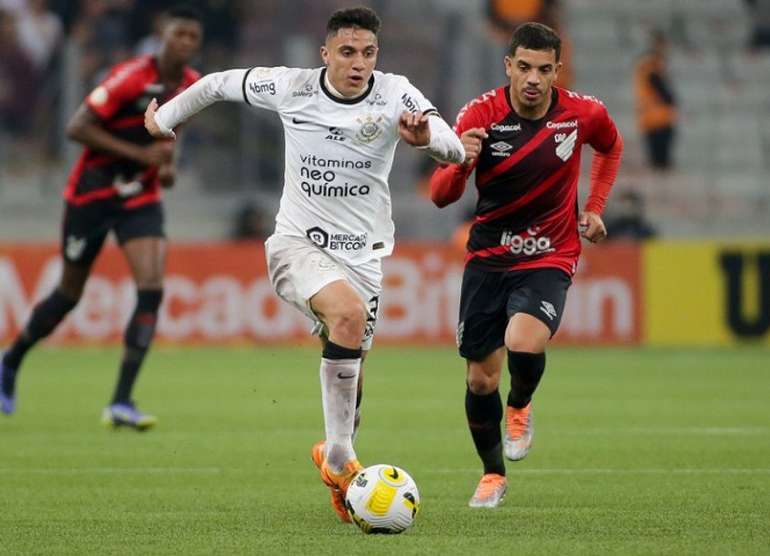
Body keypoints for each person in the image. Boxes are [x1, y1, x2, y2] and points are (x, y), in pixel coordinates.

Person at [143, 6, 464, 523]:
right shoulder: (291, 87)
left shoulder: (395, 93)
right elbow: (218, 84)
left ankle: (337, 465)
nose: (358, 63)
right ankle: (340, 457)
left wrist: (427, 141)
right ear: (326, 54)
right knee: (348, 318)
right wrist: (163, 119)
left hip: (363, 256)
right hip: (298, 244)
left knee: (352, 369)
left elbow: (454, 147)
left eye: (367, 53)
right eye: (347, 52)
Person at [429, 22, 623, 508]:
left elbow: (610, 146)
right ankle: (492, 475)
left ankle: (520, 405)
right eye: (524, 67)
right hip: (489, 257)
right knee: (479, 380)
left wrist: (595, 205)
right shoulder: (480, 114)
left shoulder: (582, 112)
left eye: (544, 69)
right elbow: (440, 196)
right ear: (508, 66)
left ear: (557, 70)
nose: (533, 78)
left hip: (550, 253)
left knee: (523, 339)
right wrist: (460, 163)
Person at [0, 5, 203, 430]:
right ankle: (11, 361)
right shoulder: (131, 75)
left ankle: (121, 401)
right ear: (163, 34)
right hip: (92, 193)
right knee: (68, 295)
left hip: (139, 198)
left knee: (151, 288)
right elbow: (77, 126)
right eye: (179, 34)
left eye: (192, 38)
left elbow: (168, 142)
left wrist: (165, 167)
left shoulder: (190, 86)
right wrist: (139, 155)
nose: (185, 43)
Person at [634, 29, 677, 171]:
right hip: (659, 118)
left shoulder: (645, 64)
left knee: (656, 163)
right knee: (661, 163)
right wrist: (672, 100)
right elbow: (664, 93)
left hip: (650, 118)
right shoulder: (652, 65)